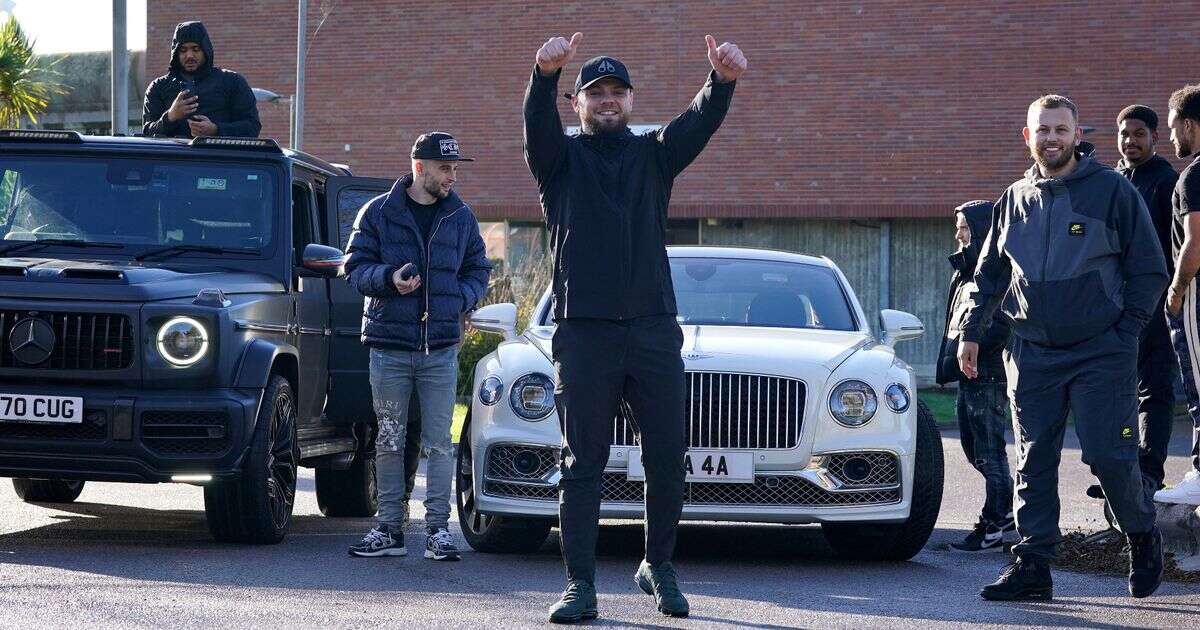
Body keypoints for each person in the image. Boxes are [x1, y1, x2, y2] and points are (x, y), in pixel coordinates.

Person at [523, 32, 746, 623]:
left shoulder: (654, 155)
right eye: (596, 93)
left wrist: (719, 83)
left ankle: (659, 564)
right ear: (579, 104)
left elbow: (697, 123)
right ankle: (581, 585)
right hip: (585, 333)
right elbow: (535, 127)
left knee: (669, 456)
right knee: (584, 463)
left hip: (651, 330)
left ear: (631, 101)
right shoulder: (559, 162)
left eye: (618, 92)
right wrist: (544, 76)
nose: (608, 101)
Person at [959, 95, 1166, 601]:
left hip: (1101, 350)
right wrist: (970, 330)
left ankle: (1141, 535)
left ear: (1077, 134)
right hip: (1032, 352)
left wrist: (1125, 333)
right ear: (1027, 138)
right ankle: (1033, 564)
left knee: (1109, 457)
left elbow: (1150, 269)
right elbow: (989, 272)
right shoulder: (1013, 198)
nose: (1051, 138)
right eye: (1042, 130)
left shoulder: (1112, 191)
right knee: (1034, 458)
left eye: (1061, 129)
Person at [343, 132, 490, 561]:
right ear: (419, 167)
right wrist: (389, 279)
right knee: (389, 438)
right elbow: (353, 268)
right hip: (389, 346)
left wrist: (460, 299)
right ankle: (389, 528)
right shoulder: (378, 213)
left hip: (440, 348)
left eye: (456, 169)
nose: (452, 176)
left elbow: (478, 268)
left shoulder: (460, 216)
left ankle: (438, 531)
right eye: (445, 168)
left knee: (440, 442)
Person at [936, 199, 1015, 552]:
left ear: (981, 230)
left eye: (964, 227)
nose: (958, 234)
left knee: (989, 452)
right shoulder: (967, 271)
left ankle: (996, 523)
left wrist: (978, 348)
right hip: (967, 373)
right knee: (974, 450)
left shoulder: (998, 275)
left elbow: (1001, 324)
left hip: (989, 374)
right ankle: (1006, 514)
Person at [1111, 105, 1180, 499]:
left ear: (1154, 137)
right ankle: (1122, 469)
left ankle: (1150, 472)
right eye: (1124, 134)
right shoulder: (1115, 181)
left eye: (1139, 134)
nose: (1130, 141)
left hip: (1155, 305)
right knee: (1117, 387)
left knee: (1154, 390)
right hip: (1114, 306)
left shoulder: (1167, 181)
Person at [1159, 84, 1200, 506]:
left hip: (1196, 298)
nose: (1173, 139)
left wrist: (1176, 290)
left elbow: (1194, 243)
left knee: (1198, 385)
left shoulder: (1195, 175)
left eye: (1173, 128)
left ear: (1188, 124)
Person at [142, 21, 261, 138]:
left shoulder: (232, 82)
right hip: (175, 157)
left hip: (219, 157)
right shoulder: (158, 87)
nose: (189, 55)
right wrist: (170, 116)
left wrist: (216, 130)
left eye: (195, 49)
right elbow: (146, 133)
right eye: (183, 50)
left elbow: (252, 127)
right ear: (176, 53)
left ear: (205, 50)